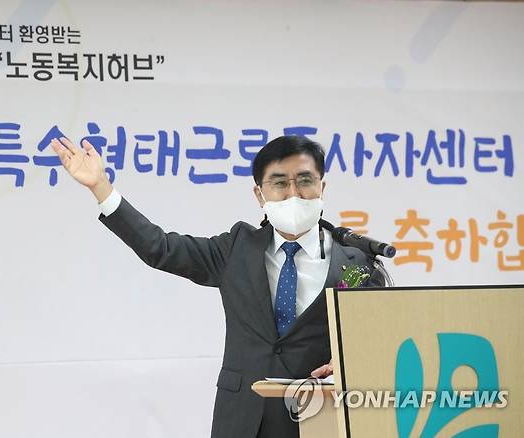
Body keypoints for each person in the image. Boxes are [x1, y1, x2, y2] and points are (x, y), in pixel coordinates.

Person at [51, 135, 385, 438]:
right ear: (259, 194)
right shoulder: (236, 248)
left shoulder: (357, 263)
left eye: (305, 181)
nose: (294, 193)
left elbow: (377, 340)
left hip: (322, 416)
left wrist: (352, 362)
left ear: (322, 187)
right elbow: (161, 248)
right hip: (243, 416)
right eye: (280, 183)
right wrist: (101, 188)